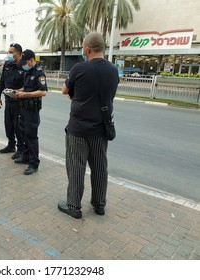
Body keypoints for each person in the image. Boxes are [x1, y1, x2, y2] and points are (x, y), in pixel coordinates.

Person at [58, 32, 119, 218]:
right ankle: (99, 204)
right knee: (100, 167)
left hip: (78, 129)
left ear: (87, 49)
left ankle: (74, 207)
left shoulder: (79, 68)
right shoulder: (113, 70)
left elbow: (64, 90)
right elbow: (110, 96)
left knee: (76, 167)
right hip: (101, 129)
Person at [15, 49, 47, 175]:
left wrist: (25, 94)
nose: (24, 65)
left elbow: (43, 92)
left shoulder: (40, 73)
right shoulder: (28, 73)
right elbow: (27, 87)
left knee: (31, 136)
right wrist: (16, 91)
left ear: (32, 60)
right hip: (24, 108)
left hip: (32, 110)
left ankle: (34, 164)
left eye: (26, 62)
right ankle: (26, 156)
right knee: (23, 133)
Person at [0, 43, 25, 159]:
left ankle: (21, 149)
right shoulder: (7, 65)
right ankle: (11, 145)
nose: (9, 54)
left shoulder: (24, 66)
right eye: (8, 52)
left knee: (18, 126)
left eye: (11, 52)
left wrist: (17, 92)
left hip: (19, 101)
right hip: (8, 100)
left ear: (18, 53)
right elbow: (2, 81)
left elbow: (27, 85)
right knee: (8, 124)